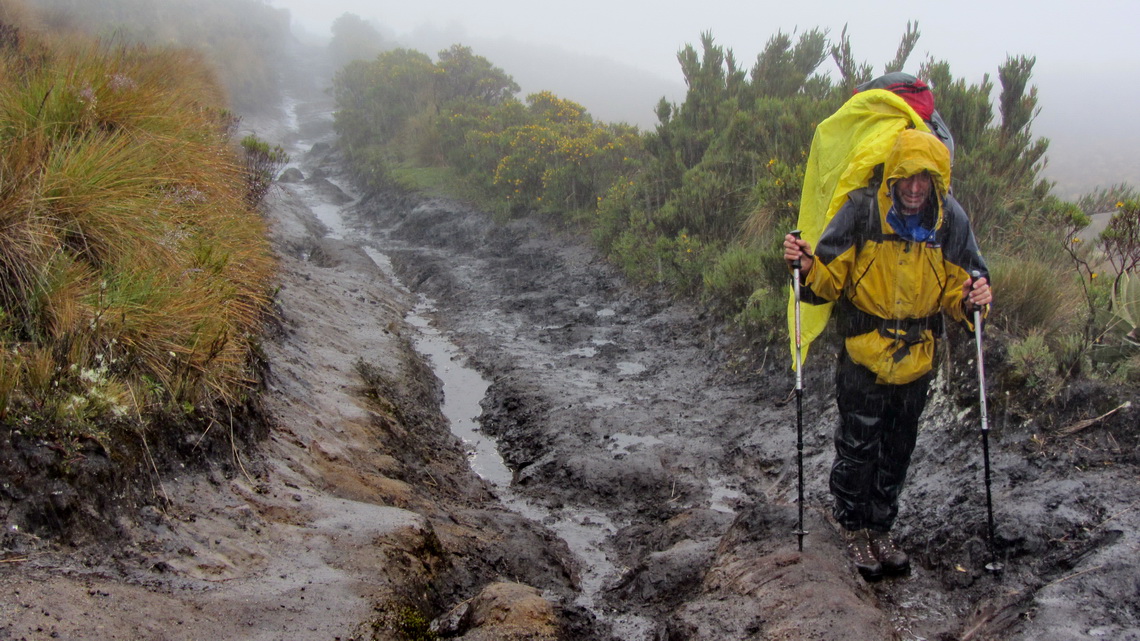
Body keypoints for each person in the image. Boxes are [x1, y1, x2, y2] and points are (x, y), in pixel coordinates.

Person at [782, 128, 992, 581]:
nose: (915, 188)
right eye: (906, 178)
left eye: (925, 179)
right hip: (863, 351)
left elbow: (965, 293)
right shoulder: (861, 211)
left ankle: (881, 529)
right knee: (858, 445)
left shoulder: (949, 221)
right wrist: (804, 266)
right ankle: (853, 527)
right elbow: (827, 283)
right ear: (891, 177)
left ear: (937, 180)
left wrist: (975, 301)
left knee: (898, 448)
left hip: (917, 359)